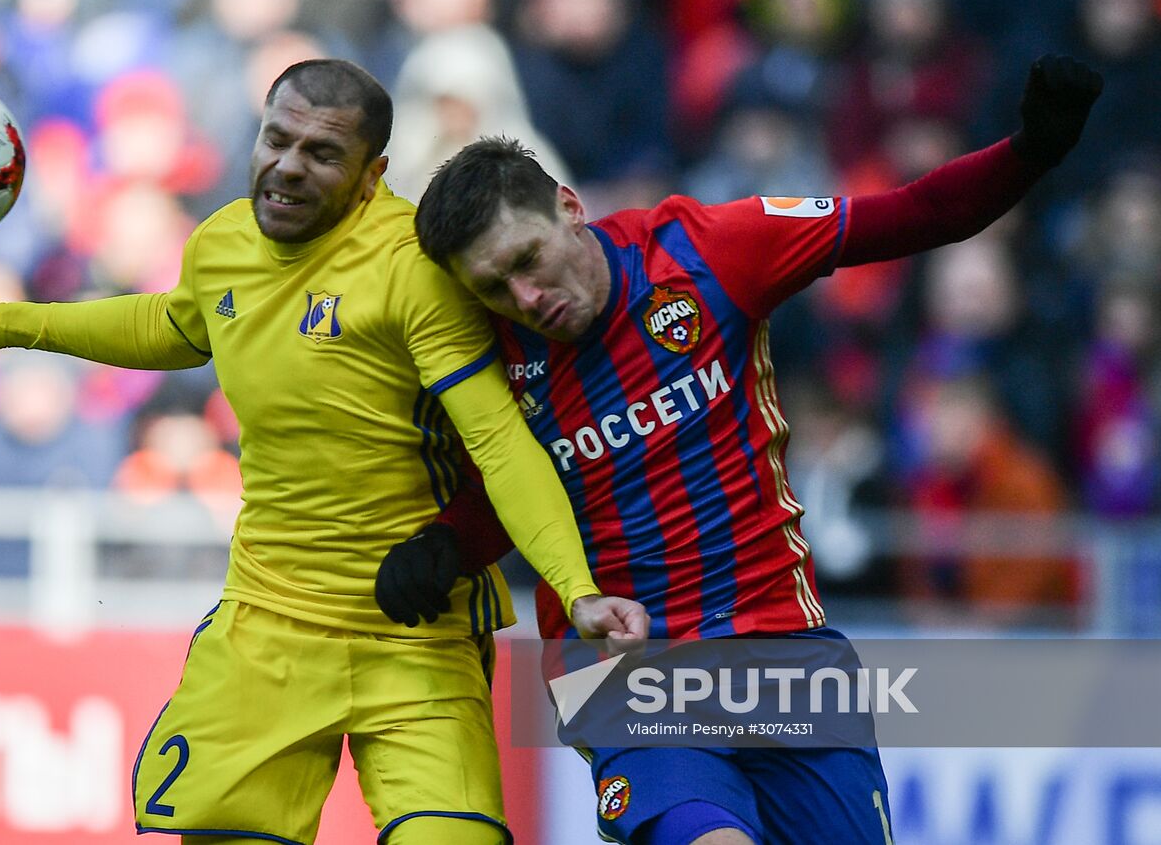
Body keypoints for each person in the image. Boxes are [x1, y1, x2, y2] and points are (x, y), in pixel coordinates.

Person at [0, 58, 648, 845]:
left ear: (371, 175)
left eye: (322, 154)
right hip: (269, 624)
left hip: (416, 633)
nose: (288, 166)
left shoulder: (414, 269)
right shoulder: (222, 241)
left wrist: (577, 586)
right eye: (277, 139)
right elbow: (178, 325)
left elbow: (499, 437)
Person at [382, 54, 1102, 844]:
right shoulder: (489, 350)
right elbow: (516, 481)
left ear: (569, 206)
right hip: (625, 672)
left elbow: (912, 214)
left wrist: (1032, 148)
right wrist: (448, 542)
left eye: (528, 261)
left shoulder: (705, 251)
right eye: (493, 286)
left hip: (782, 649)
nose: (525, 299)